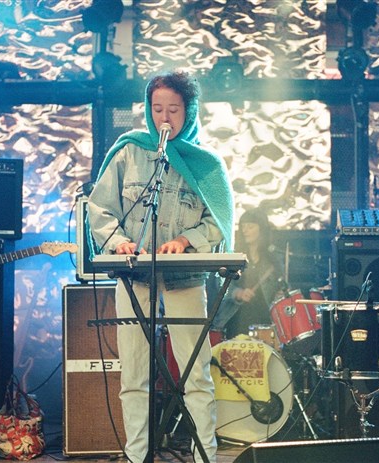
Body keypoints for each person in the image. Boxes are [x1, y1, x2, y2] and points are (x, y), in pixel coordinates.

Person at [87, 70, 234, 463]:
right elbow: (100, 208)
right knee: (134, 374)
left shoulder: (206, 164)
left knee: (195, 373)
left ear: (190, 111)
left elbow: (217, 222)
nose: (164, 118)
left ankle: (205, 456)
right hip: (134, 275)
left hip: (185, 276)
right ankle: (137, 457)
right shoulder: (129, 151)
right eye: (157, 109)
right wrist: (118, 241)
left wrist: (185, 240)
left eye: (173, 109)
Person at [212, 207, 284, 339]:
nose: (245, 231)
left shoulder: (272, 258)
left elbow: (281, 286)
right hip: (236, 318)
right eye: (243, 227)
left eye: (250, 227)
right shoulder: (233, 254)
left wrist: (280, 294)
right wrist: (237, 293)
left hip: (265, 320)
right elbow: (219, 283)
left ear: (261, 229)